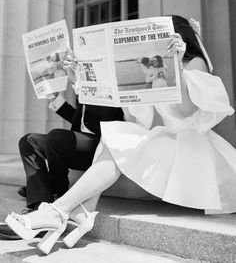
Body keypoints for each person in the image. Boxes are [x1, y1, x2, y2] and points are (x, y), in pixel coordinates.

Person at [6, 15, 236, 255]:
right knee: (118, 132)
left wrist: (176, 66)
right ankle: (76, 212)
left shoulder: (194, 62)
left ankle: (62, 211)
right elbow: (141, 119)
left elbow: (187, 110)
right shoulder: (155, 70)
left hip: (186, 142)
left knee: (115, 135)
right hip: (163, 136)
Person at [17, 49, 124, 211]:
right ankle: (40, 200)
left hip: (100, 147)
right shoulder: (84, 84)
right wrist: (56, 99)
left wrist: (78, 85)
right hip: (77, 143)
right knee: (28, 141)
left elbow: (103, 119)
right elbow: (81, 119)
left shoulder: (112, 84)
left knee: (56, 137)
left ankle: (58, 187)